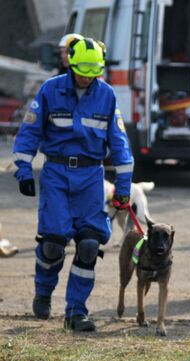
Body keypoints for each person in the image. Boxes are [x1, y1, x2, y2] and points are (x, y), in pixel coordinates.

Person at [13, 36, 133, 331]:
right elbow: (29, 131)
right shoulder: (50, 90)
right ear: (70, 64)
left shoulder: (106, 95)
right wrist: (24, 168)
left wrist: (124, 185)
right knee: (53, 244)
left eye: (93, 73)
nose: (87, 78)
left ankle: (76, 312)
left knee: (90, 244)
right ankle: (43, 291)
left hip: (91, 177)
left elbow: (118, 142)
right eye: (82, 72)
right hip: (56, 174)